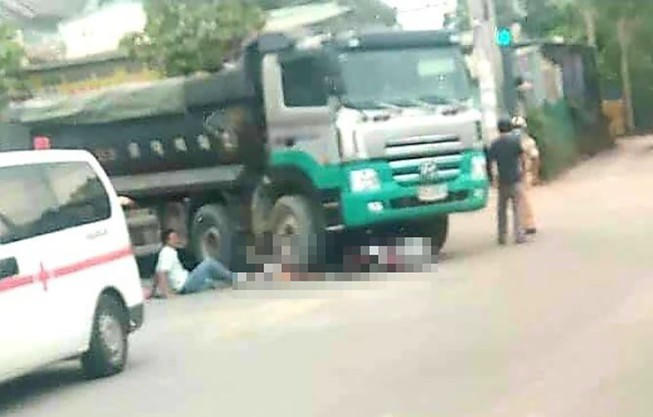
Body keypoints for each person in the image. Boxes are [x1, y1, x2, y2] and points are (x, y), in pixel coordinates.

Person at [150, 229, 235, 298]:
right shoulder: (168, 252)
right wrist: (167, 294)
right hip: (186, 284)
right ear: (167, 241)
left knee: (211, 283)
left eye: (177, 237)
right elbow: (162, 273)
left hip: (185, 284)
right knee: (209, 264)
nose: (177, 240)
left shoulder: (164, 253)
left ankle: (236, 282)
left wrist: (152, 292)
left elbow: (157, 273)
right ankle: (239, 280)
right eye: (174, 238)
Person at [488, 118, 527, 245]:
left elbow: (490, 162)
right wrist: (523, 171)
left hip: (502, 180)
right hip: (515, 178)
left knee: (502, 211)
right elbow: (522, 157)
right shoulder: (515, 141)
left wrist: (492, 178)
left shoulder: (495, 144)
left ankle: (502, 236)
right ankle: (519, 235)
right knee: (517, 209)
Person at [513, 116, 539, 235]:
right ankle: (524, 224)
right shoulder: (519, 141)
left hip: (524, 173)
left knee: (523, 199)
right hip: (517, 173)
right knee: (520, 200)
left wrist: (534, 174)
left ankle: (529, 224)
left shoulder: (527, 142)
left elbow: (535, 158)